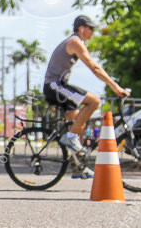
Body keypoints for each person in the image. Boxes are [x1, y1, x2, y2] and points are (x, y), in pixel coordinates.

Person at [42, 15, 129, 179]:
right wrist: (116, 87)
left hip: (58, 87)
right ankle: (70, 138)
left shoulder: (76, 42)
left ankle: (78, 167)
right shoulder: (75, 41)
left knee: (78, 125)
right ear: (82, 28)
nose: (93, 33)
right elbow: (94, 68)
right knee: (94, 101)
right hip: (55, 86)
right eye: (91, 29)